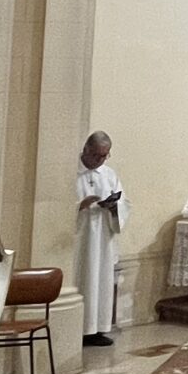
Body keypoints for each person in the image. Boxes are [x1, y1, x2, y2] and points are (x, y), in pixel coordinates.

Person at [76, 130, 126, 348]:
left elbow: (124, 203)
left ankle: (97, 329)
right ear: (85, 150)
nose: (100, 160)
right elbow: (52, 209)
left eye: (105, 156)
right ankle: (78, 329)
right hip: (80, 240)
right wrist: (80, 206)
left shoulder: (109, 174)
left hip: (103, 239)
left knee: (100, 281)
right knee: (83, 279)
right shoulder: (69, 172)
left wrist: (115, 206)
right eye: (96, 155)